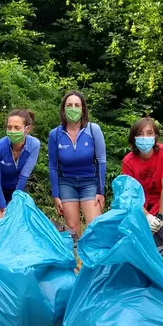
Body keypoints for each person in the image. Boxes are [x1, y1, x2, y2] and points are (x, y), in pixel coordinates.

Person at [48, 90, 107, 237]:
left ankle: (94, 259)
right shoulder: (55, 134)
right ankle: (75, 259)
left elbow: (101, 161)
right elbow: (53, 166)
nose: (73, 108)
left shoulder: (94, 130)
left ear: (83, 109)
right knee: (72, 230)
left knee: (95, 226)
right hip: (66, 183)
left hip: (90, 183)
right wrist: (56, 195)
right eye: (69, 105)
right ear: (63, 109)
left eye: (76, 105)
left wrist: (101, 191)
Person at [122, 117, 163, 246]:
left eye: (149, 133)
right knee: (134, 239)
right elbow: (131, 195)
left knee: (156, 239)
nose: (145, 137)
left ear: (155, 136)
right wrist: (148, 217)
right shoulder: (128, 161)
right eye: (140, 133)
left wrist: (161, 218)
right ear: (133, 137)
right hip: (141, 205)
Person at [0, 109, 41, 220]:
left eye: (17, 128)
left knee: (20, 225)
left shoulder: (34, 145)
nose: (12, 131)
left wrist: (13, 204)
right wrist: (4, 208)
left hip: (16, 187)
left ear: (27, 129)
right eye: (9, 127)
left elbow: (24, 176)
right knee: (3, 225)